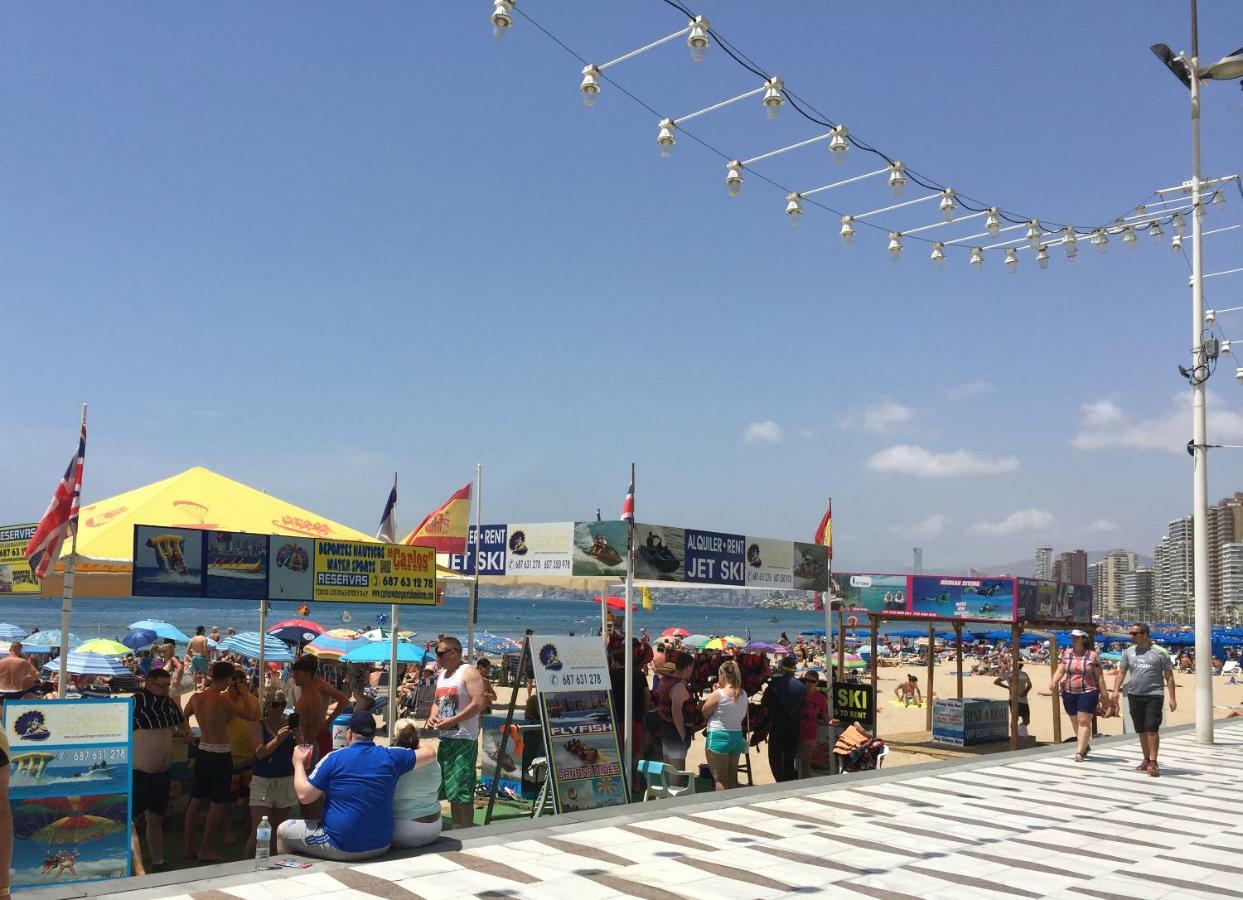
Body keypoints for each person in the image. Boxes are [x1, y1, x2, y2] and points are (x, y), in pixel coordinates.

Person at [278, 710, 436, 860]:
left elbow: (305, 796)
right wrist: (413, 737)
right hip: (381, 843)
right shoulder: (391, 755)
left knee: (282, 830)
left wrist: (298, 763)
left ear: (349, 732)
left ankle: (284, 877)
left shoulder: (334, 758)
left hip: (341, 844)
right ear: (373, 735)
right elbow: (430, 752)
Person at [183, 660, 243, 861]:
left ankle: (189, 848)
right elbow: (249, 715)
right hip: (220, 754)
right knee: (218, 803)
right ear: (227, 679)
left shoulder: (197, 697)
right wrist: (240, 695)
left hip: (203, 751)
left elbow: (183, 715)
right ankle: (204, 848)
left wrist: (187, 733)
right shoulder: (223, 700)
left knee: (196, 801)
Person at [130, 666, 187, 874]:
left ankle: (158, 861)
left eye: (167, 685)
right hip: (139, 771)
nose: (164, 689)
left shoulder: (169, 703)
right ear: (149, 683)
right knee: (131, 819)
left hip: (162, 773)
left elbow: (183, 725)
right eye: (160, 685)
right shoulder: (135, 702)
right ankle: (138, 867)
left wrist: (185, 733)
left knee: (156, 818)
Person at [427, 636, 485, 829]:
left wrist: (453, 720)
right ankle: (457, 826)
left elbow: (478, 702)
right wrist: (432, 717)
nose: (437, 657)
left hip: (464, 739)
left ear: (454, 652)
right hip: (446, 738)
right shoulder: (443, 675)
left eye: (440, 653)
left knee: (462, 788)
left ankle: (465, 828)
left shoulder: (468, 672)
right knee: (451, 789)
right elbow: (437, 702)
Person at [1111, 623, 1176, 777]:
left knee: (1152, 729)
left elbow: (1169, 676)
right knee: (1140, 729)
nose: (1131, 636)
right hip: (1134, 694)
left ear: (1145, 634)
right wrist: (1115, 691)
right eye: (1131, 633)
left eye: (1134, 633)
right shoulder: (1128, 652)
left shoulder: (1161, 652)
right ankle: (1146, 759)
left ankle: (1154, 762)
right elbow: (1121, 672)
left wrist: (1172, 698)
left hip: (1154, 695)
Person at [246, 691, 298, 858]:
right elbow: (259, 753)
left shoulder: (289, 727)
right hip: (263, 782)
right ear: (267, 706)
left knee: (278, 831)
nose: (279, 708)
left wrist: (301, 737)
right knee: (260, 830)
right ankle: (244, 867)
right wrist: (278, 739)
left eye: (283, 704)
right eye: (275, 704)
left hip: (285, 780)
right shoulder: (257, 725)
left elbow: (302, 754)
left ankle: (273, 864)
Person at [1049, 629, 1106, 762]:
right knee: (1074, 720)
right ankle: (1084, 745)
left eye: (1077, 637)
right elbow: (1060, 670)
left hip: (1088, 691)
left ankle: (1079, 752)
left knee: (1083, 721)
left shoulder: (1093, 656)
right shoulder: (1067, 653)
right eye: (1073, 637)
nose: (1074, 639)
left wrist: (1104, 695)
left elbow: (1100, 677)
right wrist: (1054, 681)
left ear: (1084, 639)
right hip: (1069, 691)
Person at [389, 718, 443, 848]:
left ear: (396, 736)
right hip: (434, 828)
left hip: (403, 832)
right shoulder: (433, 761)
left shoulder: (393, 762)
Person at [701, 660, 747, 790]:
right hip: (737, 736)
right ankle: (733, 807)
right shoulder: (743, 693)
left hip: (719, 736)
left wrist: (714, 692)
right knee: (732, 778)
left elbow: (705, 712)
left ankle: (721, 808)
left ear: (722, 675)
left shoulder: (719, 694)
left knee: (720, 780)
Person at [289, 656, 346, 763]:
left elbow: (344, 700)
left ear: (308, 672)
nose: (293, 676)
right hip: (305, 741)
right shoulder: (306, 689)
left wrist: (328, 722)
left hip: (316, 739)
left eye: (297, 673)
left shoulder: (318, 688)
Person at [225, 668, 261, 829]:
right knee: (228, 795)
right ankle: (228, 828)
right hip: (230, 754)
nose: (239, 685)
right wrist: (231, 698)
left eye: (242, 682)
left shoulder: (253, 700)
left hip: (249, 754)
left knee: (249, 793)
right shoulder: (224, 700)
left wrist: (244, 695)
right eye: (235, 682)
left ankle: (249, 822)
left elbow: (255, 720)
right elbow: (227, 717)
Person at [653, 651, 696, 782]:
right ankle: (673, 801)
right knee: (676, 775)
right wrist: (682, 734)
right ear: (688, 667)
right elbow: (676, 711)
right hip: (675, 731)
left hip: (665, 728)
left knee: (668, 768)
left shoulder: (666, 680)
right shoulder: (679, 686)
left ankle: (665, 798)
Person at [762, 656, 804, 783]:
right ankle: (790, 783)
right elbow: (802, 706)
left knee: (775, 759)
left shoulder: (775, 683)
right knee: (789, 760)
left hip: (778, 727)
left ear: (782, 668)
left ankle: (781, 783)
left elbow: (765, 703)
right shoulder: (802, 686)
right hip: (794, 728)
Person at [797, 670, 834, 779]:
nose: (808, 683)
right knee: (793, 762)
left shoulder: (820, 698)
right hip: (794, 731)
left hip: (809, 734)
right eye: (806, 680)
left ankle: (805, 787)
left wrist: (834, 722)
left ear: (817, 683)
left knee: (806, 762)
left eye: (812, 681)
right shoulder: (798, 693)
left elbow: (826, 717)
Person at [994, 662, 1033, 728]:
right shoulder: (1018, 674)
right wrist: (1008, 688)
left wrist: (1008, 688)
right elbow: (996, 682)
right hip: (1016, 699)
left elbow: (996, 682)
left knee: (1020, 720)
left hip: (1019, 699)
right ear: (1022, 665)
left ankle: (1017, 731)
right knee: (1022, 720)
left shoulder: (1012, 674)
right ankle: (1015, 735)